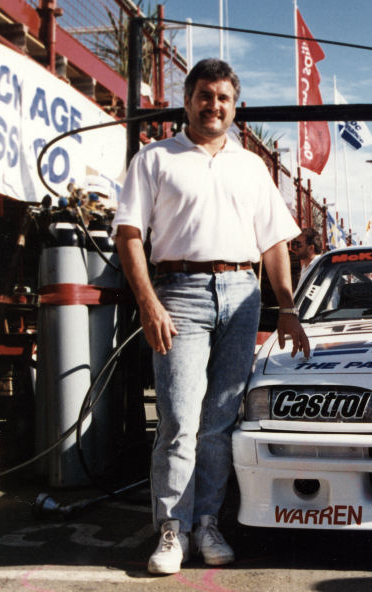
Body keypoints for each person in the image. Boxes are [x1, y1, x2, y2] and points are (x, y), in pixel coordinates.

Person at [113, 58, 310, 576]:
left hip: (242, 294)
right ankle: (171, 529)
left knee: (219, 421)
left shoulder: (251, 166)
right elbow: (128, 234)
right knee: (179, 419)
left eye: (223, 97)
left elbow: (273, 243)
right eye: (205, 94)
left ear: (234, 104)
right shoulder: (155, 159)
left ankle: (206, 521)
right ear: (188, 99)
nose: (213, 105)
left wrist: (286, 308)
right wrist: (148, 302)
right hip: (179, 293)